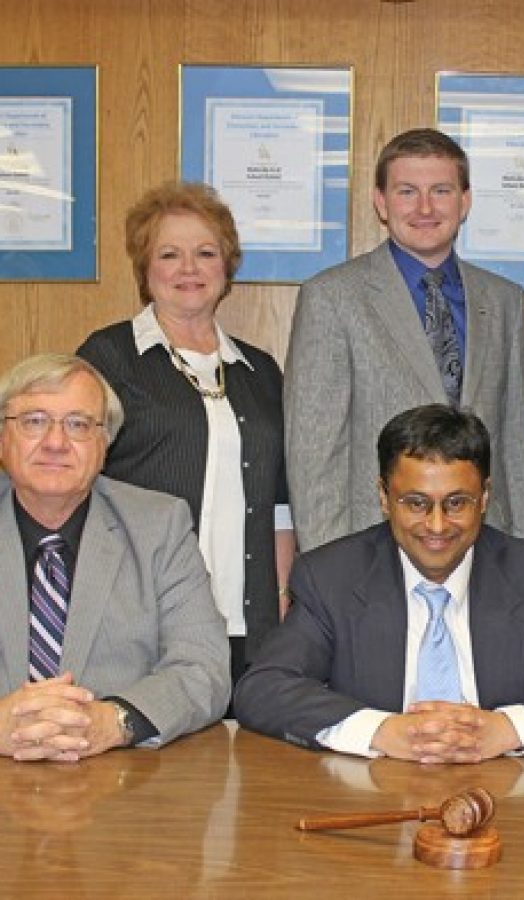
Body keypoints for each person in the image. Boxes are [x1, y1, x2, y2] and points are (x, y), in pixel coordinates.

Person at [234, 404, 524, 763]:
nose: (437, 525)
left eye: (457, 502)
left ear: (485, 497)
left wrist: (505, 729)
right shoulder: (331, 578)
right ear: (384, 497)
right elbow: (264, 688)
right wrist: (381, 731)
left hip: (507, 799)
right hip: (372, 801)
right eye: (416, 503)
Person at [77, 182, 293, 687]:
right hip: (144, 617)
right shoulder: (108, 358)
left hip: (249, 625)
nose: (189, 269)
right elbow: (77, 487)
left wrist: (283, 597)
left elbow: (280, 502)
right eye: (170, 254)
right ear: (146, 270)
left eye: (205, 253)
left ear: (227, 266)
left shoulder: (260, 371)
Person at [283, 128, 524, 551]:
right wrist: (330, 570)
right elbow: (314, 453)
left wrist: (522, 553)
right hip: (374, 550)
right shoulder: (331, 297)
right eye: (406, 191)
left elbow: (518, 445)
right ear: (381, 202)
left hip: (484, 550)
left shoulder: (505, 300)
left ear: (465, 200)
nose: (424, 207)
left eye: (441, 190)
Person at [0, 354, 230, 762]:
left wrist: (114, 721)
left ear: (106, 443)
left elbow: (203, 669)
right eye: (34, 421)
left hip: (122, 784)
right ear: (3, 436)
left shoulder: (159, 526)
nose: (55, 443)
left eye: (78, 425)